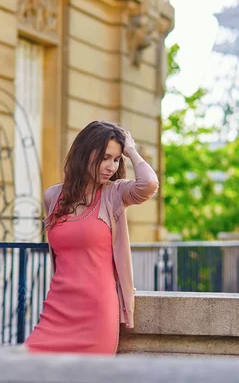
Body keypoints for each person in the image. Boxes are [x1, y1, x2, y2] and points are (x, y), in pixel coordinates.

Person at [24, 121, 159, 355]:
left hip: (97, 314)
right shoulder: (53, 196)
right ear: (85, 153)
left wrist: (131, 150)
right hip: (57, 308)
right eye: (106, 157)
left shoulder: (115, 194)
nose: (111, 166)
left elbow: (148, 184)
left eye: (116, 160)